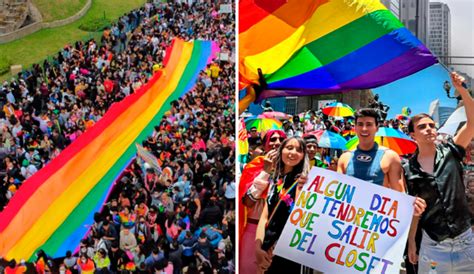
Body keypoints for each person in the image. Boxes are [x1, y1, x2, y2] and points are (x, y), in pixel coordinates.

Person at [404, 72, 474, 273]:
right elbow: (415, 211)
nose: (429, 129)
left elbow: (472, 123)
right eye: (422, 127)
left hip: (466, 242)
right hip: (433, 247)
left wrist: (462, 90)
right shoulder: (408, 169)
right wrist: (411, 243)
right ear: (412, 134)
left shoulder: (452, 151)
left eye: (431, 125)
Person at [255, 137, 310, 273]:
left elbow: (298, 221)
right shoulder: (275, 178)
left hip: (288, 253)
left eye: (299, 150)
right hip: (266, 248)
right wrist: (258, 248)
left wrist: (274, 249)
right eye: (289, 148)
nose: (293, 153)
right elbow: (264, 217)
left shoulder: (304, 182)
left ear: (303, 156)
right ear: (281, 151)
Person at [238, 130, 286, 274]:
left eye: (281, 140)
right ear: (265, 145)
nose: (276, 143)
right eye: (272, 139)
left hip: (279, 236)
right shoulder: (253, 167)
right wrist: (265, 171)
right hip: (252, 233)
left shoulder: (291, 171)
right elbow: (248, 202)